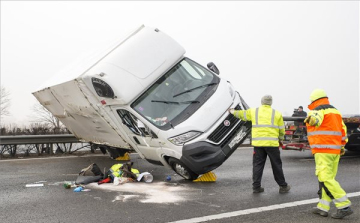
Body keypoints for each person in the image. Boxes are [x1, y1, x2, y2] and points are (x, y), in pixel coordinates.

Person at [304, 89, 352, 219]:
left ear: (314, 100)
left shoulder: (318, 109)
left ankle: (344, 206)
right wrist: (342, 145)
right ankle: (323, 207)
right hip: (335, 150)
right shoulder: (335, 111)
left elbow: (315, 120)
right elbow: (343, 130)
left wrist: (311, 119)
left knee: (325, 178)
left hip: (322, 149)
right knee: (327, 178)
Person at [228, 95, 290, 194]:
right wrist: (281, 139)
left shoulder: (254, 111)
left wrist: (231, 111)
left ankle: (256, 187)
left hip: (258, 144)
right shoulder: (277, 113)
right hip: (272, 144)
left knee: (257, 165)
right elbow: (282, 130)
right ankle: (283, 186)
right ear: (271, 103)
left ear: (262, 102)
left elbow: (241, 114)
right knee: (276, 165)